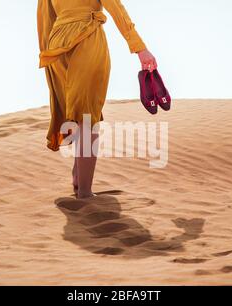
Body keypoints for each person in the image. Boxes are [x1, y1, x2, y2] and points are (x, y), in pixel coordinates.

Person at [37, 0, 157, 198]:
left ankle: (79, 175)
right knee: (86, 115)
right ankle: (84, 192)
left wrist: (46, 54)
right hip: (87, 37)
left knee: (76, 111)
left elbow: (44, 21)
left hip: (56, 45)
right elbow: (116, 8)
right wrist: (139, 48)